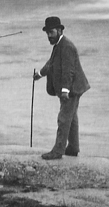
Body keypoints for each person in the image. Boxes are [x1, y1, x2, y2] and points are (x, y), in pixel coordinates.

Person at [34, 16, 90, 160]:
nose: (48, 36)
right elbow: (51, 63)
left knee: (64, 118)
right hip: (71, 87)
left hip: (72, 88)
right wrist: (40, 74)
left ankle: (58, 151)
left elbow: (68, 71)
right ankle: (73, 147)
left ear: (59, 30)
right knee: (71, 117)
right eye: (47, 33)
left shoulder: (67, 47)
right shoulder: (59, 45)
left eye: (51, 32)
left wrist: (65, 91)